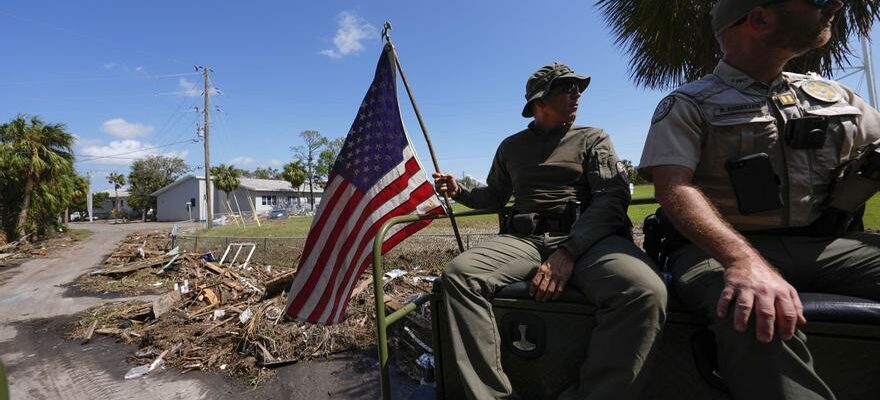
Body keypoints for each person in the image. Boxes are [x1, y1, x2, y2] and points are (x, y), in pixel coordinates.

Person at [639, 1, 880, 399]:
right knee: (751, 310)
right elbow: (673, 188)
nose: (834, 5)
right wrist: (742, 261)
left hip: (825, 243)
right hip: (719, 250)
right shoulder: (689, 104)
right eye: (815, 1)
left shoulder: (833, 95)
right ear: (760, 19)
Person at [434, 62, 666, 400]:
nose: (577, 95)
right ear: (539, 101)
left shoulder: (593, 138)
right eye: (567, 88)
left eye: (578, 88)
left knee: (645, 291)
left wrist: (568, 252)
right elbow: (494, 197)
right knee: (458, 275)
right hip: (523, 240)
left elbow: (611, 198)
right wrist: (459, 192)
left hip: (587, 241)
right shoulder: (510, 147)